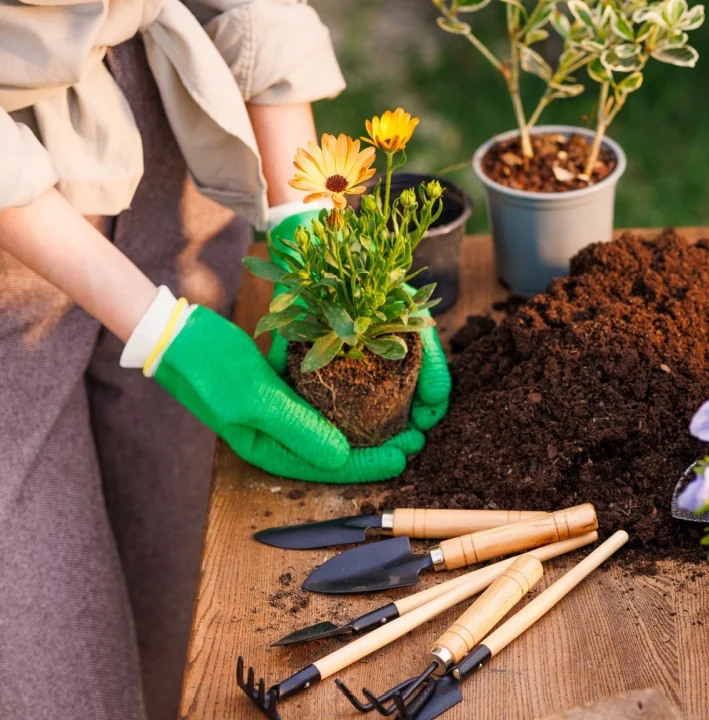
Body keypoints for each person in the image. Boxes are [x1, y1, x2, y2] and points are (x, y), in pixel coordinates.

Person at [0, 2, 450, 718]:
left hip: (165, 150)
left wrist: (304, 212)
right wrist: (163, 333)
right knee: (51, 676)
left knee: (182, 598)